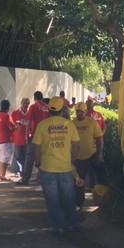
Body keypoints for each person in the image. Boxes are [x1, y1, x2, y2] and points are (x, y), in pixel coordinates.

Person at [33, 97, 80, 232]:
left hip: (47, 168)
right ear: (61, 109)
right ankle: (73, 223)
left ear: (49, 109)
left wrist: (38, 164)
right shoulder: (69, 125)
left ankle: (58, 226)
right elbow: (76, 144)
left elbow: (36, 147)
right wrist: (72, 161)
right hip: (66, 167)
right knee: (69, 197)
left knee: (52, 199)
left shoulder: (42, 125)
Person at [73, 102, 103, 209]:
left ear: (86, 112)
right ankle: (79, 204)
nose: (79, 113)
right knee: (79, 182)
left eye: (81, 111)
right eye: (77, 111)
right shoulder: (73, 123)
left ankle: (103, 201)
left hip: (93, 155)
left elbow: (99, 139)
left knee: (102, 178)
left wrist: (99, 154)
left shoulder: (92, 122)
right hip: (79, 158)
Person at [17, 91, 50, 186]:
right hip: (46, 136)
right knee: (43, 157)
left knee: (29, 158)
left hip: (35, 135)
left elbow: (29, 121)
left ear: (34, 98)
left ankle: (25, 179)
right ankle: (42, 178)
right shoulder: (47, 107)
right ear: (42, 97)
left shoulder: (33, 107)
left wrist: (26, 136)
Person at [0, 99, 15, 181]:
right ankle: (3, 175)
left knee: (0, 157)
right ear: (8, 107)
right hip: (8, 139)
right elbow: (11, 127)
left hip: (1, 138)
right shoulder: (6, 116)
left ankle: (0, 174)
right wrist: (17, 126)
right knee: (6, 158)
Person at [11, 97, 30, 178]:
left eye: (27, 103)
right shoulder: (15, 112)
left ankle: (25, 171)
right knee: (17, 156)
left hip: (27, 138)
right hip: (17, 138)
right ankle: (18, 171)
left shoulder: (30, 113)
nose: (25, 105)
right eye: (24, 103)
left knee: (26, 156)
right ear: (21, 103)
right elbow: (11, 124)